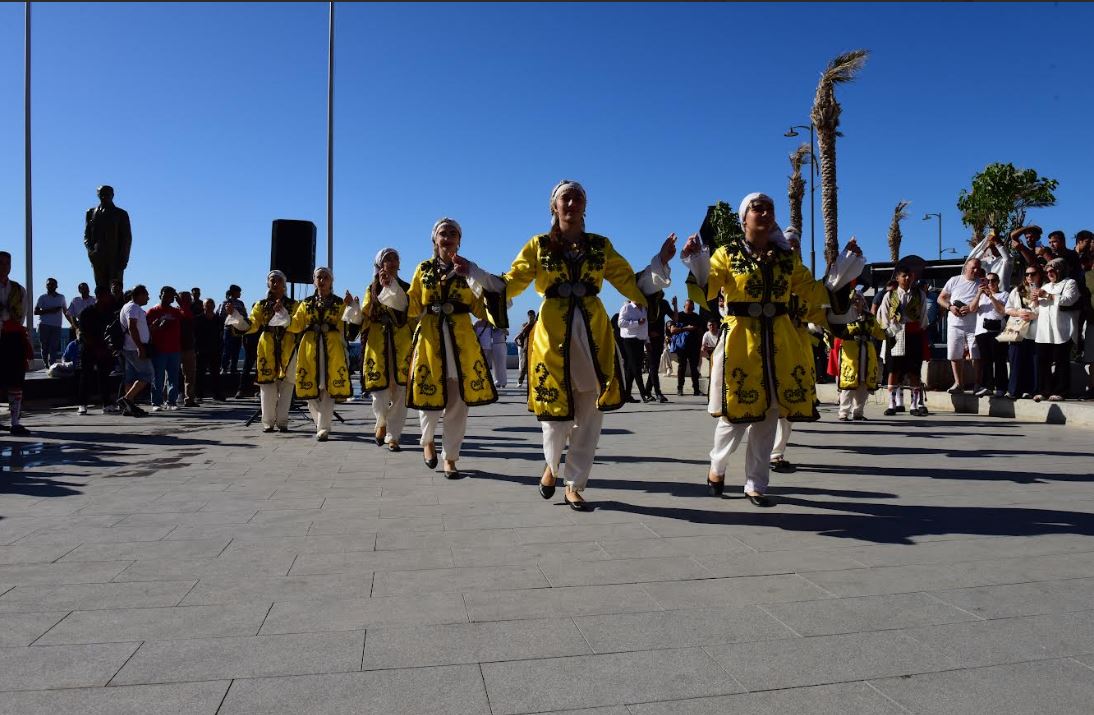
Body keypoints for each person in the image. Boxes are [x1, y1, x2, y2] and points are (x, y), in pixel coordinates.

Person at [467, 181, 674, 510]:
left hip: (593, 334)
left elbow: (628, 281)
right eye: (566, 197)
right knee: (554, 417)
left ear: (585, 206)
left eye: (578, 197)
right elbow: (511, 282)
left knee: (590, 413)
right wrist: (475, 273)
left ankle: (575, 484)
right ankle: (552, 465)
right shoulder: (538, 245)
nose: (572, 202)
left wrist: (660, 262)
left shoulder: (600, 246)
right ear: (554, 206)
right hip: (552, 334)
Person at [680, 192, 862, 507]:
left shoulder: (786, 259)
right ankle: (717, 466)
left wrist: (843, 272)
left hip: (779, 343)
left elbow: (812, 292)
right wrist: (696, 260)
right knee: (734, 417)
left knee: (769, 414)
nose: (764, 213)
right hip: (740, 343)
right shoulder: (727, 253)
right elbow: (708, 287)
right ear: (744, 218)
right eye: (757, 208)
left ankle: (756, 484)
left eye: (769, 208)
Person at [401, 218, 497, 478]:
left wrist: (492, 295)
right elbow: (413, 304)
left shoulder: (467, 269)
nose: (448, 237)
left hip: (461, 341)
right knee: (429, 396)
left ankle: (451, 457)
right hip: (430, 337)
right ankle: (427, 440)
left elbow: (481, 306)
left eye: (453, 233)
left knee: (458, 403)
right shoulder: (423, 269)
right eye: (443, 233)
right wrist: (390, 290)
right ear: (435, 239)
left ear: (459, 240)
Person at [344, 249, 412, 450]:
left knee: (400, 391)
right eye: (387, 259)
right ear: (379, 265)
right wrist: (352, 307)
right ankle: (381, 422)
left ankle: (394, 436)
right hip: (377, 343)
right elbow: (365, 315)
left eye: (395, 258)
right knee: (379, 393)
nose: (392, 261)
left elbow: (411, 313)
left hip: (401, 344)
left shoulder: (407, 288)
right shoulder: (372, 288)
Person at [281, 267, 352, 441]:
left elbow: (347, 325)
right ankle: (322, 423)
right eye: (319, 277)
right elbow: (295, 325)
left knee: (328, 388)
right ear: (314, 280)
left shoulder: (339, 303)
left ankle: (323, 428)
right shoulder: (305, 303)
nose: (322, 280)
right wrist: (281, 314)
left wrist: (351, 307)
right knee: (309, 390)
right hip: (309, 348)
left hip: (332, 349)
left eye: (325, 277)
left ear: (331, 281)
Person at [227, 270, 298, 432]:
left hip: (288, 346)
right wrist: (236, 316)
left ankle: (283, 421)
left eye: (278, 280)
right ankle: (268, 422)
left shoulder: (294, 305)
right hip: (267, 345)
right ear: (268, 283)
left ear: (284, 284)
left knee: (287, 385)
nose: (275, 283)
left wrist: (283, 313)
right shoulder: (261, 305)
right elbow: (252, 325)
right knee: (266, 386)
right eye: (272, 280)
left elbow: (298, 325)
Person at [877, 267, 929, 416]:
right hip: (895, 335)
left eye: (909, 276)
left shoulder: (919, 294)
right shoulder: (890, 295)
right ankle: (892, 404)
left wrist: (921, 328)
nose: (907, 278)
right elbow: (883, 315)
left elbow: (923, 314)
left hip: (913, 334)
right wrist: (889, 329)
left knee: (914, 371)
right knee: (893, 370)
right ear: (897, 278)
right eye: (904, 276)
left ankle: (914, 405)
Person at [833, 290, 886, 421]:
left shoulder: (869, 317)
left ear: (863, 301)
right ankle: (843, 413)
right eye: (854, 299)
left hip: (867, 352)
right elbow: (836, 331)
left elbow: (878, 332)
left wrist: (889, 332)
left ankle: (858, 412)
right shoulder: (844, 317)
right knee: (849, 383)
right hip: (850, 352)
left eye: (859, 299)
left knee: (863, 383)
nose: (856, 301)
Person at [1031, 258, 1080, 401]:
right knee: (1042, 361)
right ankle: (1044, 391)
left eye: (1052, 270)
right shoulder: (1045, 286)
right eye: (1047, 271)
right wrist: (1035, 300)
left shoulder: (1070, 283)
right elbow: (1037, 310)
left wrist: (1046, 295)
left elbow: (1068, 300)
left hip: (1062, 329)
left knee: (1061, 362)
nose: (1049, 273)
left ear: (1060, 269)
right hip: (1044, 331)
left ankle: (1060, 391)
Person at [937, 258, 983, 393]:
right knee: (954, 354)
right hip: (955, 324)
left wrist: (971, 308)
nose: (976, 270)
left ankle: (978, 384)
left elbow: (986, 302)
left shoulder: (982, 283)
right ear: (966, 267)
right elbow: (941, 298)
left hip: (974, 324)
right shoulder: (954, 280)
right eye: (973, 267)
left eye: (978, 268)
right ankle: (958, 384)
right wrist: (950, 307)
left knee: (976, 355)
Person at [0, 252, 30, 435]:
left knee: (16, 380)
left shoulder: (19, 289)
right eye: (1, 263)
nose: (4, 266)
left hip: (12, 338)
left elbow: (22, 314)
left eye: (7, 263)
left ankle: (15, 422)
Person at [73, 285, 116, 415]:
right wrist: (94, 346)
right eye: (107, 295)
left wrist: (108, 346)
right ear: (99, 296)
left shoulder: (109, 312)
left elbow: (112, 331)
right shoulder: (86, 312)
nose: (109, 297)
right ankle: (82, 404)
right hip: (88, 348)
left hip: (104, 348)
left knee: (104, 376)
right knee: (86, 376)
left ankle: (107, 403)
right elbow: (83, 333)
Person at [83, 185, 132, 290]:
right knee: (100, 289)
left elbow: (126, 238)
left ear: (112, 195)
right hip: (97, 257)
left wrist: (124, 258)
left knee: (115, 288)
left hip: (115, 258)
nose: (104, 197)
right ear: (98, 195)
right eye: (101, 194)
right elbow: (87, 235)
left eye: (107, 194)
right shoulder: (90, 213)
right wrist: (91, 252)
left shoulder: (121, 214)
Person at [1003, 265, 1041, 399]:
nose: (1029, 276)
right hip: (1017, 328)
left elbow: (1047, 310)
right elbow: (1007, 309)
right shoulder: (1017, 290)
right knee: (1015, 359)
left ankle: (1029, 390)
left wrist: (1034, 313)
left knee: (1032, 361)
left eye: (1033, 274)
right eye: (1027, 274)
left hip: (1034, 331)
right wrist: (1019, 313)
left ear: (1039, 275)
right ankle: (1013, 391)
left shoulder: (1043, 290)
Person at [969, 272, 1009, 397]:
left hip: (997, 331)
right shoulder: (980, 296)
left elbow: (1002, 311)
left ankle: (1001, 387)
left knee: (999, 360)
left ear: (998, 282)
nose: (990, 283)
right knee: (986, 360)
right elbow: (972, 309)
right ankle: (988, 386)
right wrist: (979, 294)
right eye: (988, 281)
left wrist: (991, 297)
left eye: (993, 280)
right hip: (981, 331)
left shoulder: (1004, 294)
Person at [117, 285, 153, 417]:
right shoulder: (133, 308)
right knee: (147, 374)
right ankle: (127, 399)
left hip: (130, 348)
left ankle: (129, 407)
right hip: (134, 348)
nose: (148, 298)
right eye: (146, 295)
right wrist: (140, 347)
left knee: (131, 378)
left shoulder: (130, 307)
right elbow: (132, 327)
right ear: (140, 295)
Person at [146, 286, 184, 411]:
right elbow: (147, 330)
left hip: (174, 350)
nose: (168, 298)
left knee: (173, 378)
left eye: (171, 296)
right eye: (165, 295)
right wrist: (158, 326)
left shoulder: (176, 312)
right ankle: (156, 403)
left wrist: (181, 303)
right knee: (158, 377)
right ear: (160, 296)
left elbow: (188, 317)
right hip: (159, 349)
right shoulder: (152, 311)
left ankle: (171, 402)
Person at [618, 298, 653, 403]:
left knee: (631, 369)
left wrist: (647, 341)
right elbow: (620, 323)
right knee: (636, 367)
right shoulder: (627, 307)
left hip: (640, 341)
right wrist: (637, 322)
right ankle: (644, 393)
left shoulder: (644, 309)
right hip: (629, 340)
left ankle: (626, 395)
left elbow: (645, 326)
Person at [643, 289, 673, 403]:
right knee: (653, 366)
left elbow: (674, 318)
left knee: (654, 366)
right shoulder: (647, 304)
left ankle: (647, 391)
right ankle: (658, 392)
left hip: (660, 338)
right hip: (649, 339)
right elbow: (643, 321)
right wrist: (647, 336)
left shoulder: (664, 303)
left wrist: (675, 306)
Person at [194, 298, 226, 402]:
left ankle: (217, 394)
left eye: (211, 304)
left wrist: (221, 347)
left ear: (214, 306)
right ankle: (198, 394)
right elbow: (194, 335)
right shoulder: (198, 319)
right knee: (200, 373)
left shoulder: (219, 319)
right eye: (207, 304)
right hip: (201, 350)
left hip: (215, 350)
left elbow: (222, 333)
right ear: (203, 306)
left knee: (216, 373)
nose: (209, 306)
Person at [670, 299, 704, 396]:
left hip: (694, 346)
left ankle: (696, 389)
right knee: (682, 367)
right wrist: (686, 328)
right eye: (688, 307)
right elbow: (672, 330)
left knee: (694, 368)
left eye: (691, 307)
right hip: (682, 346)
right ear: (684, 306)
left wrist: (701, 343)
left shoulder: (696, 317)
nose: (690, 309)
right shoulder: (679, 316)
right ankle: (680, 388)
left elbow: (700, 331)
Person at [34, 277, 67, 365]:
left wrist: (72, 323)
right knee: (44, 347)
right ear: (46, 286)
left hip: (56, 326)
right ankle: (46, 364)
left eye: (52, 284)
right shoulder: (42, 297)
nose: (50, 286)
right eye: (48, 284)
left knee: (54, 347)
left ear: (56, 286)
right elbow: (36, 311)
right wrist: (51, 310)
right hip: (44, 325)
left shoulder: (61, 297)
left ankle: (51, 364)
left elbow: (65, 311)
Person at [175, 290, 199, 407]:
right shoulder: (176, 311)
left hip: (188, 347)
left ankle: (189, 399)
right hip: (176, 347)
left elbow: (189, 318)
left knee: (190, 375)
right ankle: (169, 398)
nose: (189, 301)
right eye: (186, 299)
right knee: (173, 375)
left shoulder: (193, 310)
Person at [218, 285, 246, 381]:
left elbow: (245, 314)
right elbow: (221, 315)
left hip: (238, 329)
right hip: (228, 329)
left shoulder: (240, 303)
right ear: (234, 292)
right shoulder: (225, 303)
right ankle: (224, 368)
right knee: (227, 349)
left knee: (236, 349)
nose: (240, 294)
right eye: (238, 292)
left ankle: (234, 368)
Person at [514, 310, 537, 387]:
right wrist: (528, 324)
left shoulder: (537, 325)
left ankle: (534, 381)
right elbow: (522, 333)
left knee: (535, 365)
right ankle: (520, 381)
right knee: (524, 365)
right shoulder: (525, 325)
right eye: (529, 316)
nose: (531, 317)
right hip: (526, 347)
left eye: (532, 315)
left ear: (534, 316)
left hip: (535, 348)